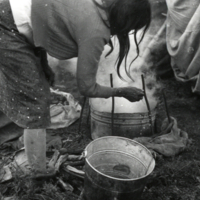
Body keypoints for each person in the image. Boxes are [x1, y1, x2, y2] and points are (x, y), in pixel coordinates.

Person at [0, 0, 151, 177]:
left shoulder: (97, 6)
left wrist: (43, 65)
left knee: (32, 88)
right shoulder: (95, 31)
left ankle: (20, 140)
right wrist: (121, 92)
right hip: (7, 27)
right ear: (128, 21)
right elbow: (87, 87)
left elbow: (42, 25)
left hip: (11, 13)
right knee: (36, 104)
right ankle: (38, 170)